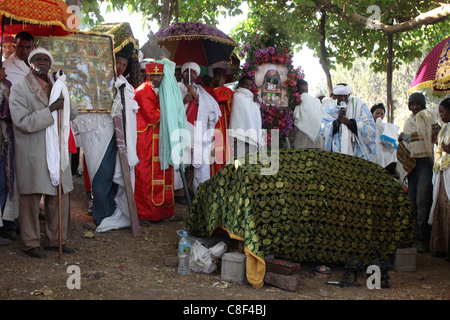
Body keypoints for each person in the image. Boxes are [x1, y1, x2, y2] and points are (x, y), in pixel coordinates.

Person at [9, 48, 78, 258]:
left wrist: (63, 92)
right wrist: (50, 109)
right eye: (37, 59)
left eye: (45, 59)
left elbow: (72, 113)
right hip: (33, 151)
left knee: (59, 195)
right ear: (30, 63)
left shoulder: (58, 85)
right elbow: (21, 122)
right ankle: (31, 243)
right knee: (30, 198)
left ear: (50, 63)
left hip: (56, 150)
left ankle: (56, 239)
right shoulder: (20, 88)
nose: (41, 62)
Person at [397, 92, 440, 253]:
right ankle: (414, 238)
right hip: (412, 165)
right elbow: (408, 141)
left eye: (418, 104)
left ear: (423, 105)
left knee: (423, 203)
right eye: (412, 104)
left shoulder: (429, 117)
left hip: (425, 164)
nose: (415, 107)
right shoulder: (408, 121)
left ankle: (423, 241)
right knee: (412, 202)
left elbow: (432, 136)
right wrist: (404, 138)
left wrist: (407, 137)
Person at [133, 62, 175, 224]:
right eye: (153, 76)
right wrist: (170, 109)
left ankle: (163, 211)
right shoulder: (142, 91)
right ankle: (144, 214)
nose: (156, 79)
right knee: (145, 175)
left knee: (164, 172)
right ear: (147, 75)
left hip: (161, 138)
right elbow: (152, 116)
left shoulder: (163, 90)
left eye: (159, 76)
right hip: (146, 140)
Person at [175, 62, 221, 198]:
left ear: (197, 75)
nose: (191, 74)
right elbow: (170, 107)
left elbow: (211, 108)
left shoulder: (200, 90)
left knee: (194, 162)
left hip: (197, 129)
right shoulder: (177, 87)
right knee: (182, 160)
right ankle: (179, 191)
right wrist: (183, 101)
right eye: (188, 71)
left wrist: (194, 94)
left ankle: (190, 187)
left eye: (194, 72)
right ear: (183, 73)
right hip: (182, 128)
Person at [321, 83, 377, 161]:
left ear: (349, 94)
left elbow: (371, 129)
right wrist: (337, 121)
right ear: (335, 96)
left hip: (357, 154)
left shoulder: (359, 105)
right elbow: (323, 131)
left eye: (345, 96)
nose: (343, 98)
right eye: (340, 96)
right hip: (335, 155)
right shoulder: (329, 107)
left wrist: (350, 123)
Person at [429, 97, 450, 261]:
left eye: (442, 112)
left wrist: (446, 148)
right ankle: (441, 247)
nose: (441, 115)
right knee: (441, 205)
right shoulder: (444, 128)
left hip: (448, 172)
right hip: (443, 172)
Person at [228, 75, 263, 159]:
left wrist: (254, 103)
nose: (248, 87)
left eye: (250, 85)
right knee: (239, 165)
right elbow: (237, 116)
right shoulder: (237, 96)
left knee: (248, 167)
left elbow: (252, 115)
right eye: (246, 84)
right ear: (240, 84)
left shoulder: (250, 99)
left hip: (251, 138)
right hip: (239, 138)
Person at [208, 67, 234, 175]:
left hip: (224, 126)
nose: (217, 79)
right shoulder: (208, 90)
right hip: (211, 125)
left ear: (224, 79)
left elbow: (220, 99)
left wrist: (216, 89)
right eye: (216, 76)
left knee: (223, 152)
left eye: (220, 77)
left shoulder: (228, 92)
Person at [292, 79, 324, 149]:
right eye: (302, 91)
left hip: (315, 138)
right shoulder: (296, 102)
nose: (305, 93)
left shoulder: (316, 101)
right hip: (303, 136)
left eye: (306, 90)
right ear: (297, 92)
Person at [370, 103, 399, 173]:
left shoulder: (388, 128)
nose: (379, 116)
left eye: (382, 114)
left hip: (385, 160)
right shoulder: (368, 127)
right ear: (371, 114)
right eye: (377, 113)